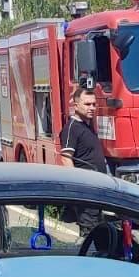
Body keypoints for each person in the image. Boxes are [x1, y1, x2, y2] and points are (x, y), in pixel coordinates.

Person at [60, 85, 110, 232]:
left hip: (97, 186)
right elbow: (65, 158)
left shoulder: (87, 126)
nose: (92, 108)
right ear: (76, 106)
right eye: (87, 104)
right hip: (86, 187)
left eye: (94, 104)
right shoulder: (72, 128)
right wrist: (77, 185)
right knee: (89, 228)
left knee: (98, 227)